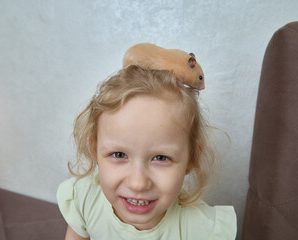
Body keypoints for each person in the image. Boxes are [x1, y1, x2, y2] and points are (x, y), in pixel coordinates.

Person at [57, 65, 237, 240]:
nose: (138, 183)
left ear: (191, 159)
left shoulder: (200, 229)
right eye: (119, 154)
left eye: (160, 158)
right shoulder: (84, 200)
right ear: (95, 151)